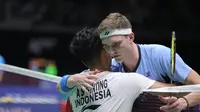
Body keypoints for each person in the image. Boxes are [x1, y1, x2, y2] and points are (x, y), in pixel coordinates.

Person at [60, 13, 200, 112]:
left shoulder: (160, 55)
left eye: (116, 44)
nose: (111, 51)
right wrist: (70, 79)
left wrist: (184, 102)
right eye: (107, 47)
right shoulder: (112, 66)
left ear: (131, 37)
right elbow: (65, 85)